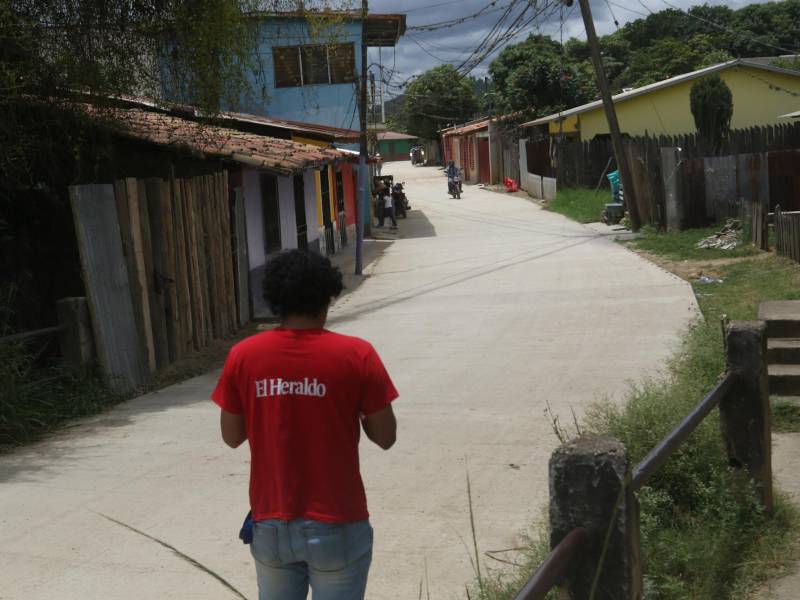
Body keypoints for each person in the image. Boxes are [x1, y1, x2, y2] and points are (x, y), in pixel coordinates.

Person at [212, 249, 398, 600]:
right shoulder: (357, 355)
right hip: (338, 522)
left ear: (275, 302)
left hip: (271, 523)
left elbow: (231, 436)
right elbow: (385, 437)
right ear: (328, 298)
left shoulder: (244, 356)